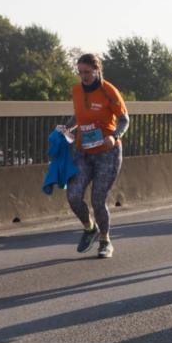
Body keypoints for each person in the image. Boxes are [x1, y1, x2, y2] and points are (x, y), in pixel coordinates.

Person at [64, 54, 128, 259]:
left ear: (97, 70)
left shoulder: (109, 91)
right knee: (73, 195)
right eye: (80, 72)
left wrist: (115, 136)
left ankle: (105, 240)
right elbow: (80, 116)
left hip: (107, 153)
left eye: (87, 72)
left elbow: (124, 120)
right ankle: (89, 228)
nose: (83, 76)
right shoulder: (76, 90)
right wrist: (66, 127)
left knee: (98, 200)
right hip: (83, 151)